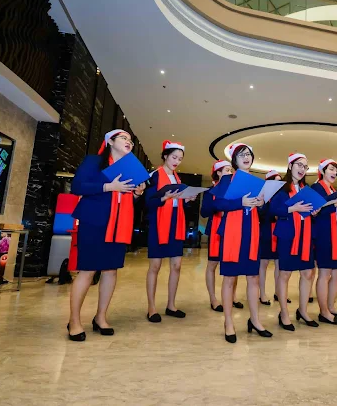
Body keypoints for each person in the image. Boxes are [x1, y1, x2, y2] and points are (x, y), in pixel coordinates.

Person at [68, 129, 145, 342]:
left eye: (131, 139)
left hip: (120, 223)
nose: (129, 142)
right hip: (94, 221)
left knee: (111, 271)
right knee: (87, 271)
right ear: (110, 141)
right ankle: (74, 321)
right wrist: (109, 186)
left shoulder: (132, 168)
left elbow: (127, 200)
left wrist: (137, 194)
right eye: (124, 138)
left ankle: (100, 317)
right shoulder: (94, 161)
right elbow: (77, 186)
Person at [215, 143, 270, 343]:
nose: (246, 157)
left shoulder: (257, 182)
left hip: (251, 233)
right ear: (234, 160)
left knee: (253, 278)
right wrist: (241, 203)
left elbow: (263, 213)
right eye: (242, 154)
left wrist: (262, 204)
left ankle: (255, 320)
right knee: (229, 279)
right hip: (232, 233)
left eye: (249, 154)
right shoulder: (227, 179)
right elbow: (217, 203)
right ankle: (228, 323)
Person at [145, 140, 196, 323]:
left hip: (176, 222)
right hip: (159, 223)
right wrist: (163, 198)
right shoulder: (155, 175)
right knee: (155, 266)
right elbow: (147, 202)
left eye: (180, 159)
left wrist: (187, 199)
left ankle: (171, 305)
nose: (176, 161)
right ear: (165, 156)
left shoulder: (177, 178)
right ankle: (151, 308)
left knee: (176, 265)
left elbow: (178, 201)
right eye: (174, 157)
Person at [270, 154, 317, 330]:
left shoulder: (307, 189)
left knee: (308, 274)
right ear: (290, 166)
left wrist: (314, 211)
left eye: (305, 166)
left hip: (305, 236)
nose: (302, 169)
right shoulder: (281, 187)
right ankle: (284, 313)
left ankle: (303, 311)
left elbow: (310, 209)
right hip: (288, 236)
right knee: (285, 275)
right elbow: (272, 209)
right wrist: (292, 208)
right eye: (299, 164)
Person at [311, 159, 337, 325]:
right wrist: (336, 203)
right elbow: (317, 209)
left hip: (336, 235)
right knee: (325, 273)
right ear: (323, 171)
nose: (335, 172)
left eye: (336, 169)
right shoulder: (317, 187)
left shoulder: (334, 189)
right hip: (324, 235)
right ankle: (323, 312)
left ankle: (331, 306)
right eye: (331, 169)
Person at [200, 160, 243, 312]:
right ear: (218, 173)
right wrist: (218, 204)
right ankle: (213, 299)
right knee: (212, 264)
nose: (230, 172)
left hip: (233, 229)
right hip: (216, 228)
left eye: (231, 170)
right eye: (226, 170)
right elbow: (204, 212)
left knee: (233, 263)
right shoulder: (210, 191)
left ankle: (233, 295)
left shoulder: (235, 189)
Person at [258, 169, 286, 305]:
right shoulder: (263, 196)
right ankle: (262, 294)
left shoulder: (282, 197)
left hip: (280, 233)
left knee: (279, 265)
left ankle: (278, 292)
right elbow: (260, 213)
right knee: (263, 264)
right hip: (266, 233)